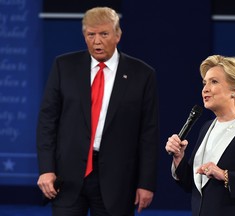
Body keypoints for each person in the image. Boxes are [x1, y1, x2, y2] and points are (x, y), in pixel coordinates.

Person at [36, 7, 159, 216]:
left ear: (118, 35)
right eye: (91, 35)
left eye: (104, 34)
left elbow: (148, 134)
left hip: (117, 180)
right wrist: (47, 169)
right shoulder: (64, 66)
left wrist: (146, 183)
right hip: (68, 178)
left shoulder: (142, 75)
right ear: (84, 36)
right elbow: (47, 122)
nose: (97, 41)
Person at [165, 55, 235, 216]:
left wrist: (224, 175)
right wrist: (179, 158)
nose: (205, 89)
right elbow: (192, 184)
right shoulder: (207, 128)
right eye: (204, 83)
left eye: (214, 82)